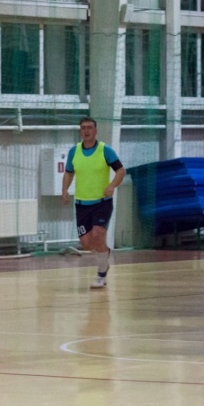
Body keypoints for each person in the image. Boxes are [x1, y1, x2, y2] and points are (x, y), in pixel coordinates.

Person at [61, 117, 126, 289]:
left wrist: (112, 185)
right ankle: (105, 252)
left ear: (95, 131)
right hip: (82, 204)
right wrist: (65, 189)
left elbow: (120, 170)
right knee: (87, 244)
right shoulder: (74, 151)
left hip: (101, 203)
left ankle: (101, 275)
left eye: (90, 127)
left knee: (98, 235)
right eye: (83, 128)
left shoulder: (105, 150)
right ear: (80, 131)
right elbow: (69, 172)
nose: (86, 131)